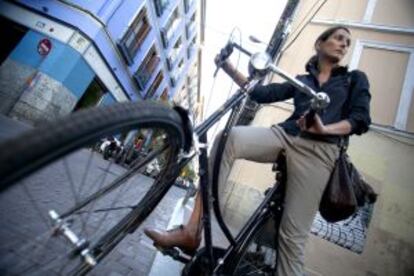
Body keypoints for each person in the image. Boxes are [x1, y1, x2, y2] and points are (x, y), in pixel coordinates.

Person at [144, 26, 371, 275]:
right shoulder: (303, 80)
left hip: (321, 153)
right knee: (228, 138)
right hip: (285, 135)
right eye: (338, 38)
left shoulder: (353, 79)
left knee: (292, 238)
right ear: (320, 43)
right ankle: (191, 231)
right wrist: (227, 65)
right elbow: (260, 94)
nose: (343, 44)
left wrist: (325, 129)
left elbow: (360, 119)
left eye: (347, 42)